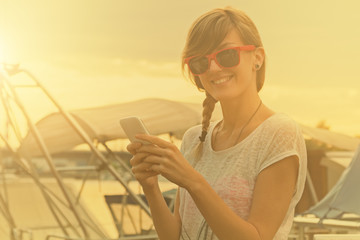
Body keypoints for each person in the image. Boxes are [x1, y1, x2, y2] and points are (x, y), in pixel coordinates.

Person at [127, 6, 307, 240]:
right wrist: (150, 187)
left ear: (257, 58)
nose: (214, 68)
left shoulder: (278, 132)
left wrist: (192, 180)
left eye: (226, 55)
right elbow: (175, 236)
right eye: (200, 62)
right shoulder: (194, 139)